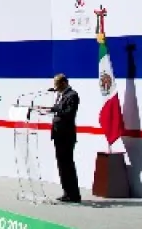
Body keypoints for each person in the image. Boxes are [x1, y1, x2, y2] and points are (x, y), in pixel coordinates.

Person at [48, 73, 81, 203]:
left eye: (57, 85)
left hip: (66, 135)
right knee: (61, 165)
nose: (56, 89)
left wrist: (55, 109)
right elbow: (59, 110)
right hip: (58, 134)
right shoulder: (61, 96)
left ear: (64, 83)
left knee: (67, 165)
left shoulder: (72, 95)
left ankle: (74, 194)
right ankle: (66, 192)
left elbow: (69, 113)